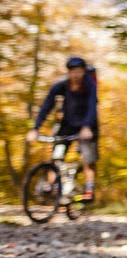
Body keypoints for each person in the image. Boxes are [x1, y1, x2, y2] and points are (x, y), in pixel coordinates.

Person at [27, 57, 100, 201]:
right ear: (69, 72)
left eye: (78, 71)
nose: (75, 75)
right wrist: (35, 128)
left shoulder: (89, 85)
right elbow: (46, 106)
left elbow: (92, 107)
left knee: (87, 157)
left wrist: (86, 127)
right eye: (72, 72)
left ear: (83, 72)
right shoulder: (61, 85)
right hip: (68, 124)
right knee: (56, 155)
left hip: (88, 125)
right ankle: (51, 186)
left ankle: (89, 188)